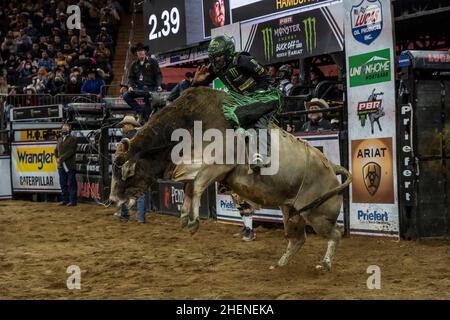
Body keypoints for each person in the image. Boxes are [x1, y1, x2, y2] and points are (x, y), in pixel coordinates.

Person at [193, 35, 278, 173]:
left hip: (264, 97)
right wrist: (196, 81)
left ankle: (264, 156)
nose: (216, 60)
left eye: (219, 56)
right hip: (242, 102)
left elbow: (265, 77)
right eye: (213, 57)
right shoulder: (216, 68)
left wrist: (257, 97)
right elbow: (201, 82)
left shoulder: (242, 60)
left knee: (260, 122)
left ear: (228, 52)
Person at [115, 115, 148, 223]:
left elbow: (120, 155)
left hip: (127, 168)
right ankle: (140, 218)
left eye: (124, 125)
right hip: (140, 167)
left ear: (129, 125)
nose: (123, 128)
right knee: (141, 192)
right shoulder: (141, 136)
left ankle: (124, 215)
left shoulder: (125, 140)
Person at [123, 42, 162, 123]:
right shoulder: (134, 64)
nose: (141, 52)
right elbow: (131, 78)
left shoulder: (153, 62)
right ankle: (140, 111)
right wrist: (130, 86)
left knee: (148, 97)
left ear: (145, 52)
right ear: (136, 53)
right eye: (138, 51)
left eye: (142, 50)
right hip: (139, 88)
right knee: (126, 95)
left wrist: (159, 85)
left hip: (150, 88)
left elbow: (158, 75)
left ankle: (146, 116)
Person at [55, 123, 77, 207]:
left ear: (69, 129)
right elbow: (55, 150)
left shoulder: (73, 139)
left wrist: (61, 158)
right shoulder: (59, 139)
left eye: (66, 128)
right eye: (63, 128)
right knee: (63, 182)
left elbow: (71, 151)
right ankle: (65, 200)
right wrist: (57, 158)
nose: (64, 129)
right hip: (61, 165)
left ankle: (73, 201)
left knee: (71, 182)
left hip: (69, 164)